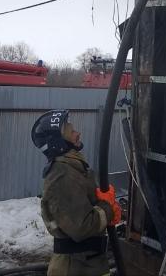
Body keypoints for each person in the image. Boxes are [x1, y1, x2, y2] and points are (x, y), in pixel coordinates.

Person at [32, 110, 121, 276]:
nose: (78, 133)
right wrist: (108, 207)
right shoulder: (62, 176)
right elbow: (82, 227)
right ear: (59, 142)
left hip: (88, 264)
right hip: (75, 268)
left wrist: (103, 204)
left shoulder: (73, 169)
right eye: (72, 131)